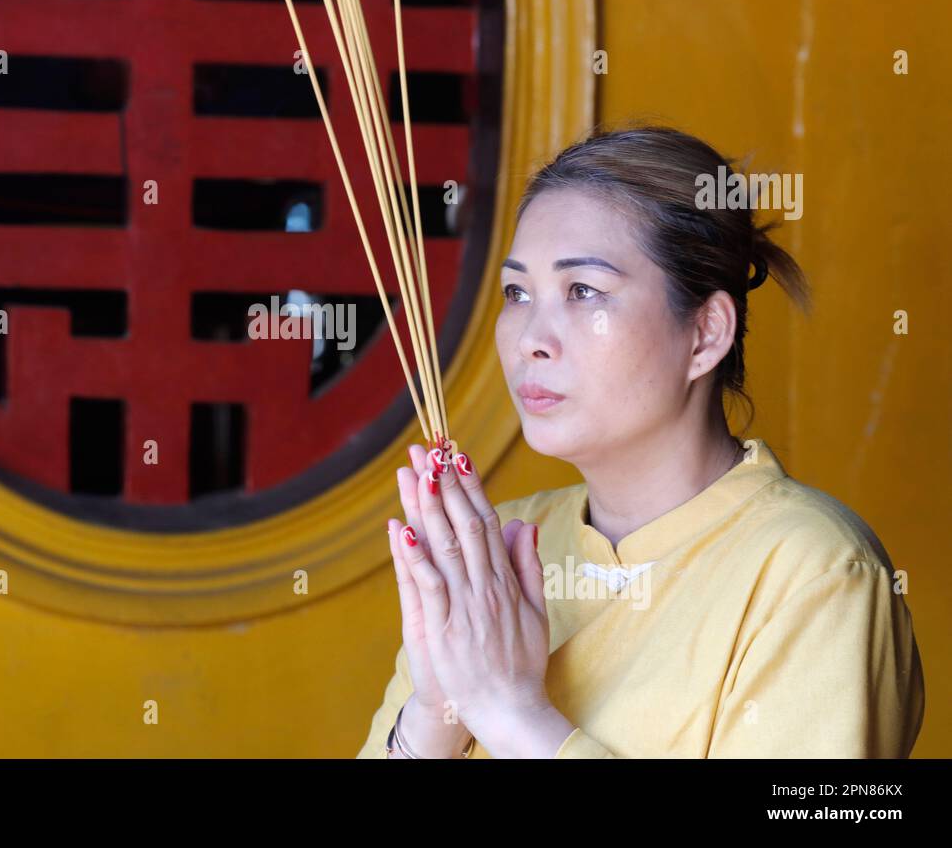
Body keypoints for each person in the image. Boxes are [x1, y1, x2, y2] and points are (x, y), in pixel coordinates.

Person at [357, 126, 925, 758]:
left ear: (706, 334)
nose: (528, 340)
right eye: (517, 293)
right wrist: (438, 709)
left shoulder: (814, 572)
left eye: (584, 292)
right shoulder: (497, 553)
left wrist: (509, 711)